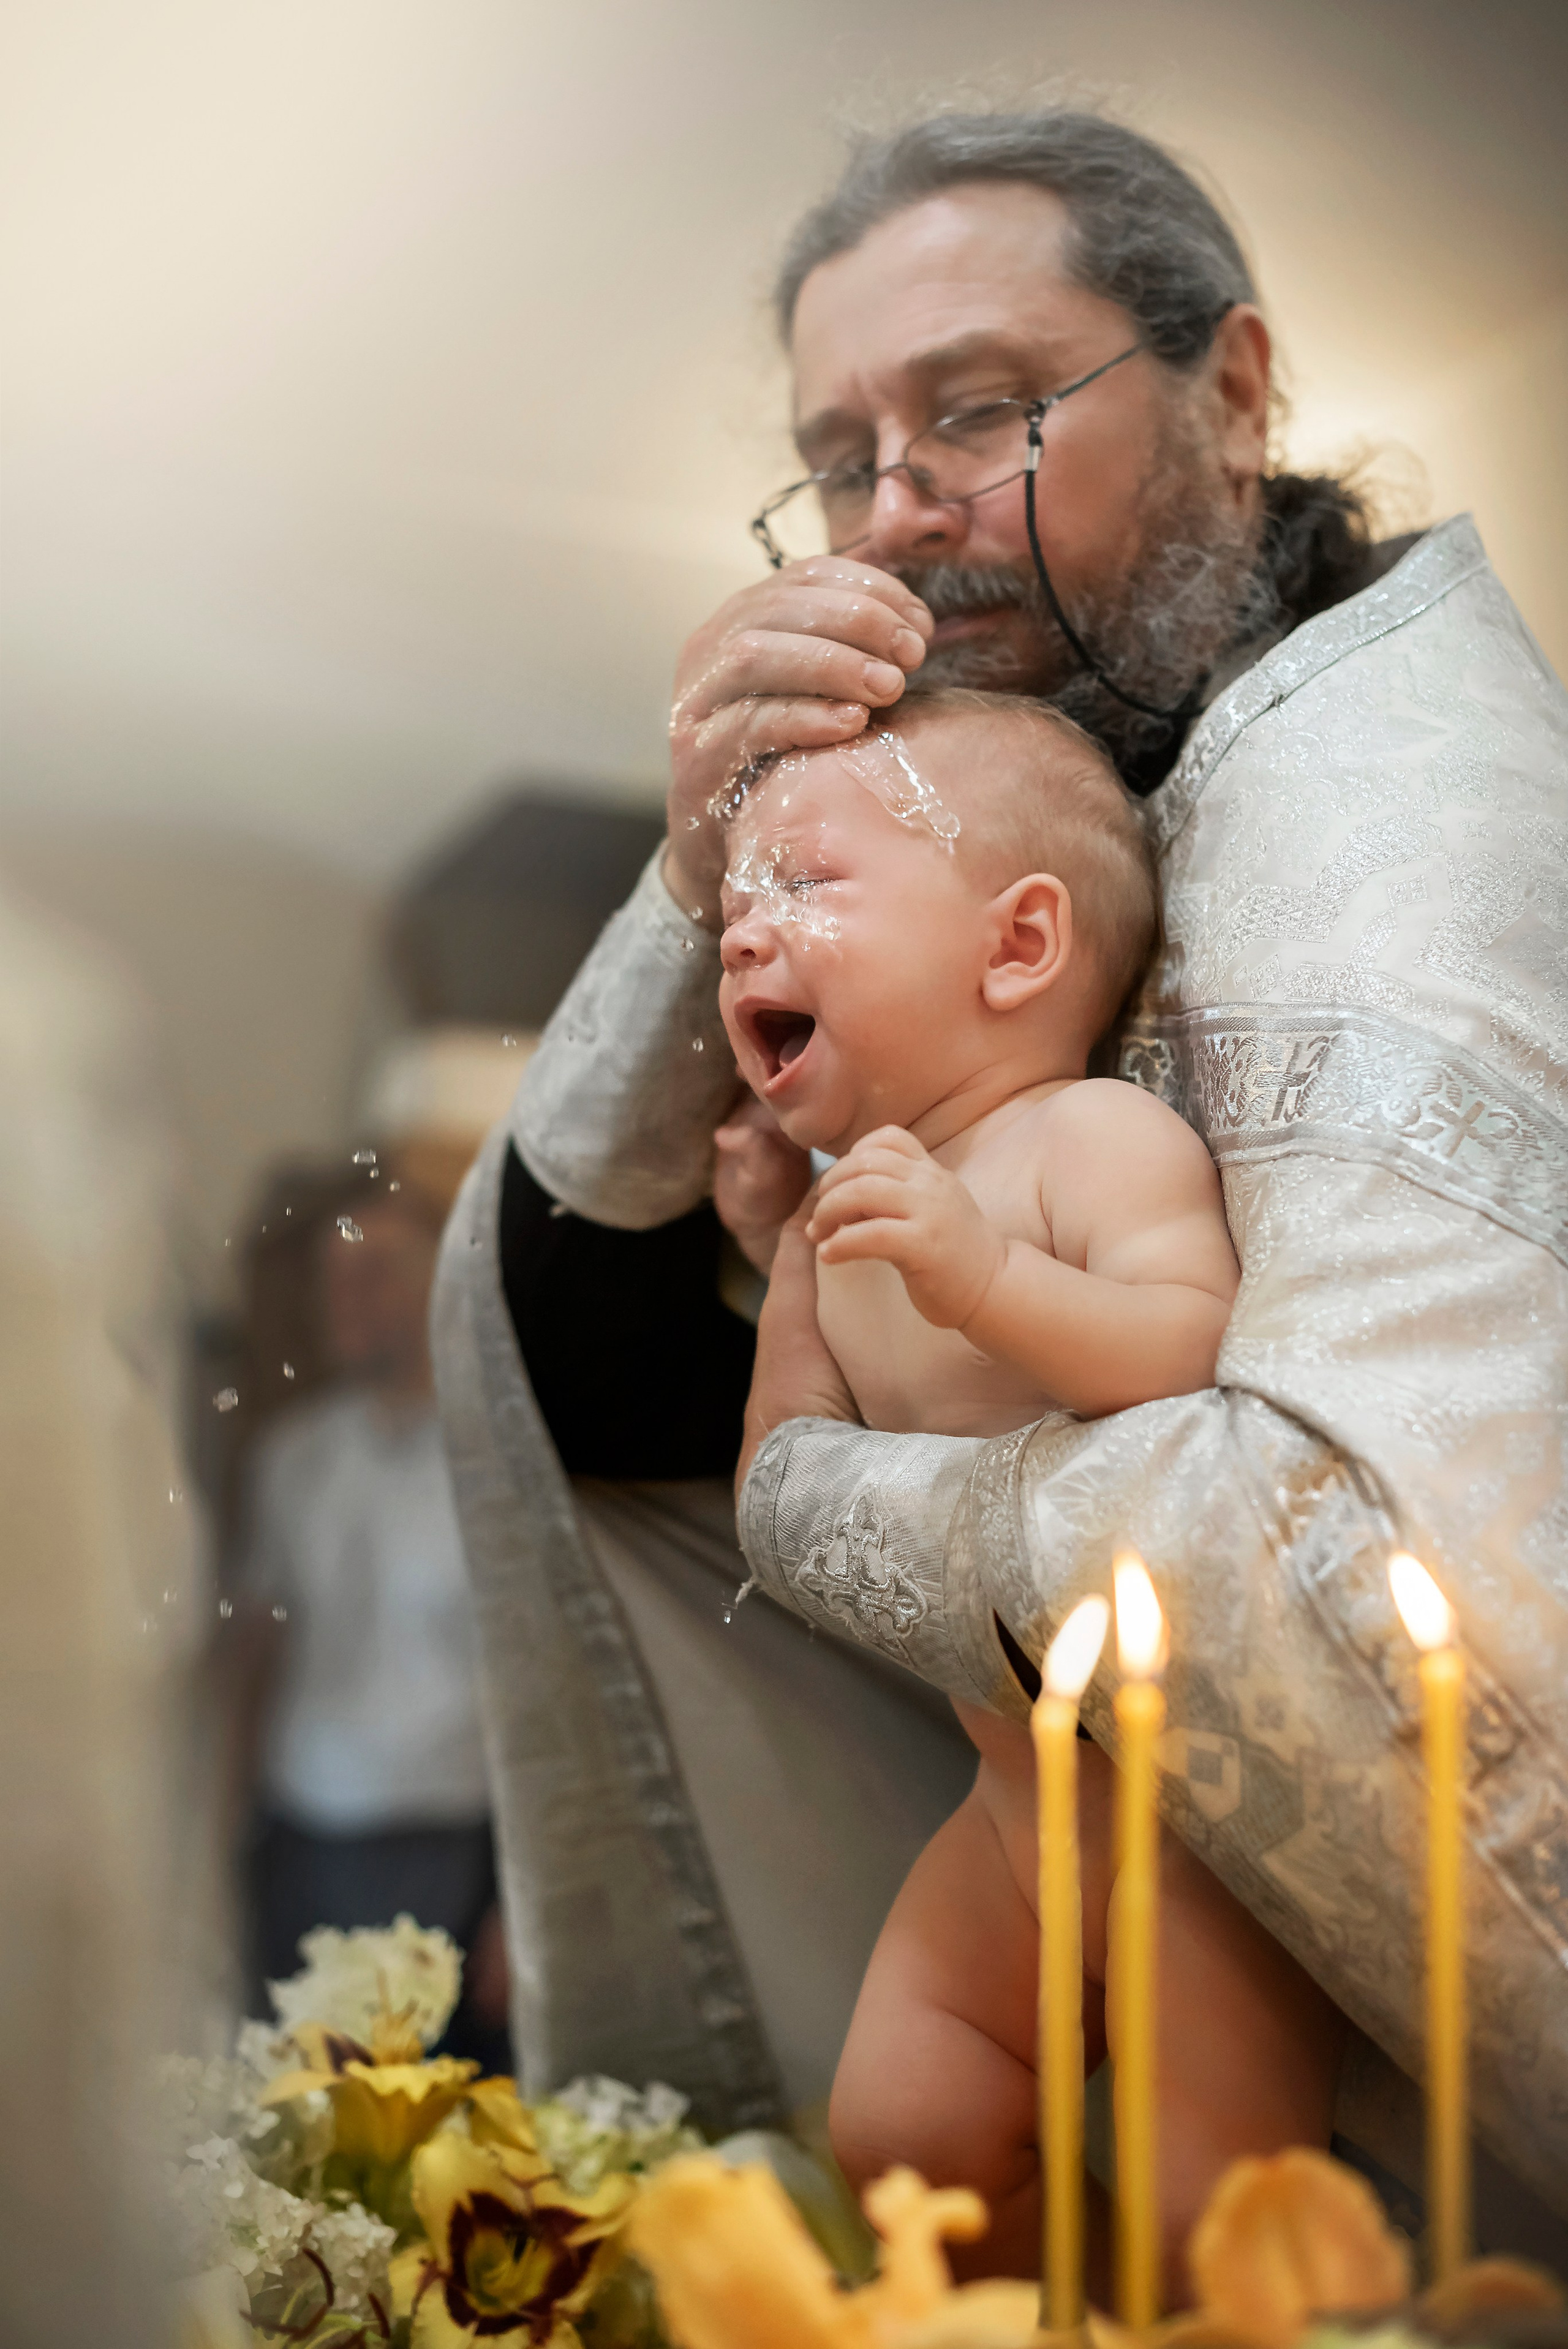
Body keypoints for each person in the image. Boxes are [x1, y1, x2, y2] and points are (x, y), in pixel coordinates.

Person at [434, 107, 1568, 2226]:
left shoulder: (1395, 821)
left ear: (1232, 393)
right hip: (1021, 1822)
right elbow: (578, 1360)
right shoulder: (1083, 770)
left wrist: (820, 1481)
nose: (898, 521)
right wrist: (715, 884)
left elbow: (1329, 1547)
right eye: (843, 456)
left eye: (977, 411)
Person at [712, 692, 1341, 2290]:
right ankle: (1073, 2318)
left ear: (1015, 947)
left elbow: (1196, 1349)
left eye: (806, 884)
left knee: (1233, 2210)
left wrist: (984, 1273)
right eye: (734, 903)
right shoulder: (831, 1227)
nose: (740, 933)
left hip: (1191, 1823)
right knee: (901, 2129)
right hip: (1005, 1812)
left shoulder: (1091, 1139)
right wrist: (769, 1273)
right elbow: (791, 1472)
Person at [228, 1177, 508, 2068]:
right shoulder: (293, 1457)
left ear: (440, 1279)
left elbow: (538, 1691)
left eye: (377, 1270)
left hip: (444, 1846)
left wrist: (524, 1902)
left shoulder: (499, 1462)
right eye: (332, 1275)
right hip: (299, 1834)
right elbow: (254, 1656)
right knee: (294, 2124)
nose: (346, 1298)